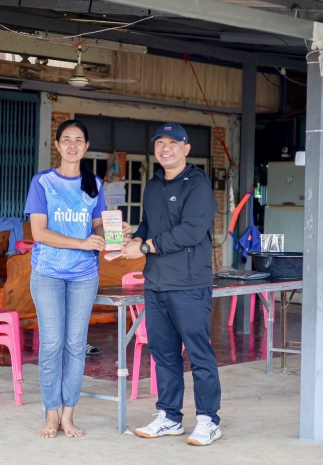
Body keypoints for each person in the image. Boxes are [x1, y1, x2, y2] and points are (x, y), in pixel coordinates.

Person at [24, 119, 129, 439]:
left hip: (84, 275)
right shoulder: (43, 182)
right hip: (48, 273)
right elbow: (39, 233)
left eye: (78, 140)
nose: (72, 145)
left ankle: (68, 415)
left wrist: (114, 233)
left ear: (86, 147)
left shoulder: (94, 183)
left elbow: (97, 227)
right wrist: (82, 243)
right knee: (52, 344)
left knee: (75, 345)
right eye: (66, 139)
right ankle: (51, 414)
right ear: (57, 145)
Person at [120, 122, 222, 446]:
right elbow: (148, 224)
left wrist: (146, 247)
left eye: (173, 143)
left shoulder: (198, 185)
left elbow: (191, 231)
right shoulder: (153, 186)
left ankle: (208, 420)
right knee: (163, 353)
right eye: (160, 143)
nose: (166, 148)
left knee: (198, 353)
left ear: (186, 148)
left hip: (189, 283)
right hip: (156, 283)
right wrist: (132, 237)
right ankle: (170, 417)